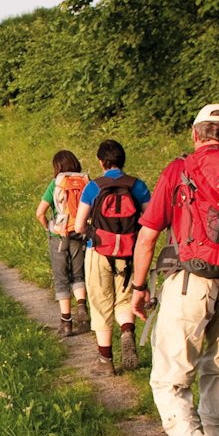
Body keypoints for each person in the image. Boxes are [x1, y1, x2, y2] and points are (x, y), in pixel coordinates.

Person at [128, 104, 219, 436]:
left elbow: (148, 235)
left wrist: (138, 288)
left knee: (168, 379)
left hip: (188, 283)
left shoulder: (180, 169)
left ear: (196, 135)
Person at [73, 139, 151, 372]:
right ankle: (126, 331)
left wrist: (95, 233)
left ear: (101, 161)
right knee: (125, 300)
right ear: (122, 160)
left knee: (100, 303)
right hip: (129, 253)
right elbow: (150, 221)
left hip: (98, 251)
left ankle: (105, 361)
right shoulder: (137, 186)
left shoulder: (93, 187)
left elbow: (78, 226)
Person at [35, 149, 89, 336]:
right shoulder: (85, 182)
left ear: (57, 166)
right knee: (78, 275)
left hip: (59, 236)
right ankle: (82, 306)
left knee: (61, 279)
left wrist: (49, 228)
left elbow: (39, 213)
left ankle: (66, 323)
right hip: (79, 234)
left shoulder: (55, 183)